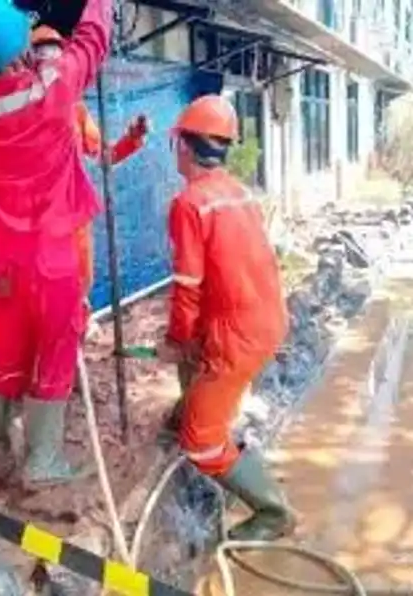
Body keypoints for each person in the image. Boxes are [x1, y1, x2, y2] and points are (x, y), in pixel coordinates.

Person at [0, 0, 112, 487]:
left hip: (6, 259)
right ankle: (42, 460)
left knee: (3, 350)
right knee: (56, 350)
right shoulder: (54, 88)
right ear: (23, 49)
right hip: (53, 257)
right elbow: (92, 41)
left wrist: (9, 43)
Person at [156, 94, 296, 541]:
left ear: (184, 146)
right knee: (198, 380)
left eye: (176, 140)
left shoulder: (190, 203)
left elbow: (188, 288)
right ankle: (192, 411)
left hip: (237, 336)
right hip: (266, 318)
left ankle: (273, 513)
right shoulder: (239, 194)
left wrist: (178, 338)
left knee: (200, 441)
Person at [31, 24, 150, 332]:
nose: (50, 61)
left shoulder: (77, 110)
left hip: (73, 212)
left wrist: (132, 139)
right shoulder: (20, 107)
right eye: (42, 54)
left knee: (77, 288)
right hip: (37, 217)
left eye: (55, 54)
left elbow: (105, 156)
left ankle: (75, 337)